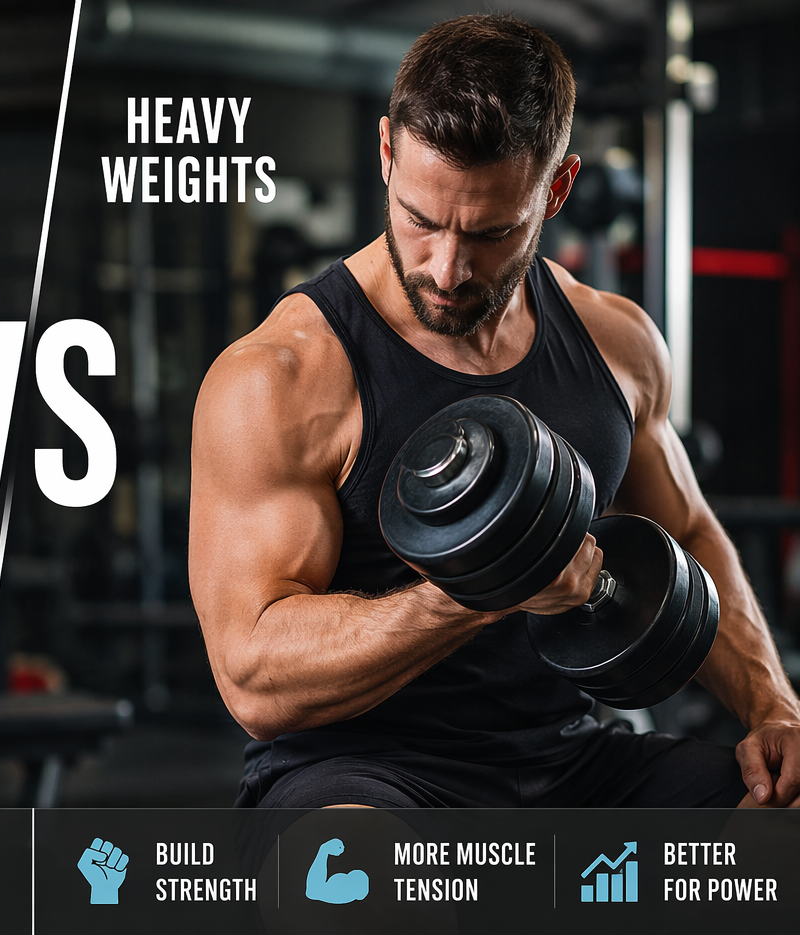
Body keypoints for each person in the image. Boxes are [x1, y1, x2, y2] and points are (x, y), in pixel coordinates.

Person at [190, 14, 800, 810]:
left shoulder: (616, 345)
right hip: (359, 776)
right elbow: (254, 678)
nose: (445, 267)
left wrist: (774, 706)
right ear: (385, 154)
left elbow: (682, 536)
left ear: (557, 189)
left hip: (573, 762)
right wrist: (484, 585)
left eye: (489, 232)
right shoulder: (283, 377)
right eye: (420, 219)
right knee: (366, 891)